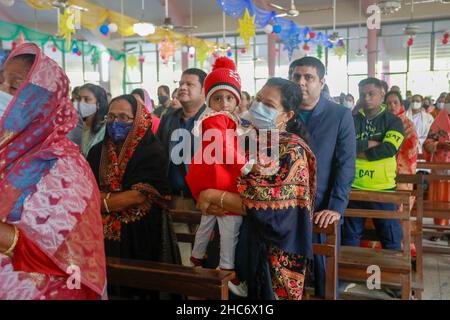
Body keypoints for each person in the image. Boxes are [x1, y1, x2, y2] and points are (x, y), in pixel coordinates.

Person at [0, 43, 106, 299]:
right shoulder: (6, 150)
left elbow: (65, 252)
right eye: (1, 82)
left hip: (42, 289)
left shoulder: (63, 164)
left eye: (14, 87)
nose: (3, 92)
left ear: (43, 102)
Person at [196, 78, 316, 300]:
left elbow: (266, 204)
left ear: (287, 115)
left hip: (266, 251)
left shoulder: (292, 151)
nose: (258, 107)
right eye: (258, 99)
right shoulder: (241, 137)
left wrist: (212, 195)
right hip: (227, 236)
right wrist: (205, 195)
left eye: (269, 105)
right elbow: (214, 171)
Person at [87, 94, 179, 297]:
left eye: (123, 117)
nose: (115, 123)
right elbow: (87, 190)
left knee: (140, 290)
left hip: (141, 233)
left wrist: (101, 203)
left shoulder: (152, 151)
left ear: (138, 120)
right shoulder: (96, 152)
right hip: (100, 235)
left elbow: (138, 196)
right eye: (110, 117)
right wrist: (108, 200)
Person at [288, 56, 356, 297]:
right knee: (286, 271)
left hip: (322, 207)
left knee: (324, 272)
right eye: (296, 77)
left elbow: (346, 164)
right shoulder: (282, 114)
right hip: (285, 207)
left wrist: (336, 207)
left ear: (321, 82)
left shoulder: (339, 115)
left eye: (309, 77)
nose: (302, 83)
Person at [185, 57, 248, 296]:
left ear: (237, 100)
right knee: (230, 224)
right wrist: (245, 166)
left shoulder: (225, 119)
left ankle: (196, 258)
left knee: (207, 223)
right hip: (220, 179)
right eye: (218, 97)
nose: (224, 103)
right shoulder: (215, 118)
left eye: (230, 98)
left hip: (210, 178)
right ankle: (228, 270)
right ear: (209, 99)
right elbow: (224, 148)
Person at [343, 77, 405, 251]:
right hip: (354, 186)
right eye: (363, 94)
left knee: (391, 237)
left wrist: (357, 150)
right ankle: (351, 275)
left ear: (382, 94)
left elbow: (389, 149)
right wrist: (371, 144)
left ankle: (391, 276)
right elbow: (343, 146)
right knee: (349, 237)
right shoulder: (351, 120)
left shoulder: (393, 120)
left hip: (382, 188)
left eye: (371, 94)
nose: (367, 98)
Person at [422, 93, 450, 241]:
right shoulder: (439, 121)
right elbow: (427, 143)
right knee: (440, 199)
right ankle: (440, 229)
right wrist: (438, 145)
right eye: (448, 102)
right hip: (441, 164)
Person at [385, 91, 419, 190]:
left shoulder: (408, 124)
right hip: (384, 168)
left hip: (403, 166)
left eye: (395, 102)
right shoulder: (381, 122)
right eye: (389, 103)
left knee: (401, 198)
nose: (392, 105)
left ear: (401, 105)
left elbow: (412, 144)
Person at [78, 83, 109, 156]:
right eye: (79, 99)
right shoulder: (83, 124)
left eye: (86, 99)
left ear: (98, 103)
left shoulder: (104, 129)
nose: (81, 103)